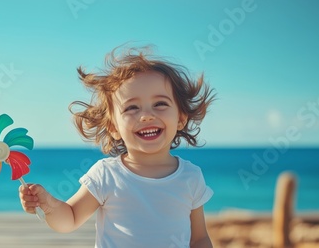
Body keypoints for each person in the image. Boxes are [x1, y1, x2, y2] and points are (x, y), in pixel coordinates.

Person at [19, 45, 216, 248]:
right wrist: (49, 205)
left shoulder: (191, 177)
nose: (147, 115)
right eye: (132, 107)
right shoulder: (106, 175)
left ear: (181, 118)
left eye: (160, 104)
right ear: (113, 127)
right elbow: (70, 218)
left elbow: (199, 238)